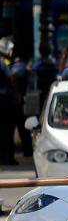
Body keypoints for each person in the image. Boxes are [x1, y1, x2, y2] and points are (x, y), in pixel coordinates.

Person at [0, 37, 18, 165]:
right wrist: (16, 92)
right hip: (4, 101)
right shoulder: (2, 62)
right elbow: (11, 78)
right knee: (7, 129)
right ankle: (8, 157)